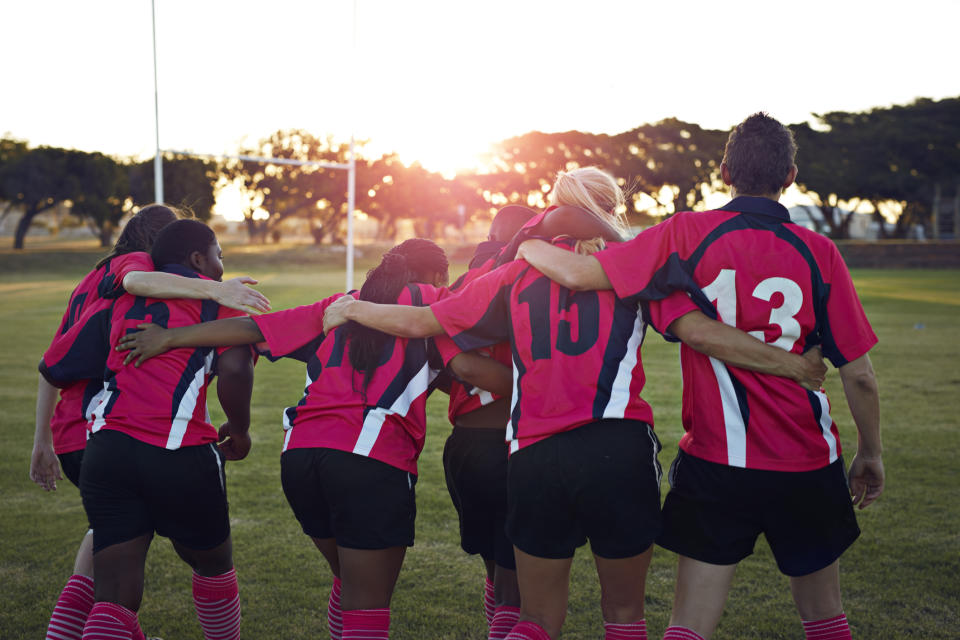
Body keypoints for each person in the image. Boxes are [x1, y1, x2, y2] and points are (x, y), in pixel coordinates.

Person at [320, 167, 826, 640]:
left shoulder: (513, 272)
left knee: (536, 619)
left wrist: (352, 307)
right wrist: (793, 366)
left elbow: (422, 323)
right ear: (611, 209)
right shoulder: (637, 270)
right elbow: (700, 332)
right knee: (624, 615)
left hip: (535, 453)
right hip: (616, 445)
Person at [515, 113, 882, 640]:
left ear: (725, 171)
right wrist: (870, 452)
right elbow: (861, 375)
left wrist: (526, 243)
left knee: (688, 627)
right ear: (791, 176)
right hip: (807, 458)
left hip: (718, 459)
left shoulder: (686, 232)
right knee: (826, 620)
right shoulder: (819, 251)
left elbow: (579, 273)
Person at [115, 238, 512, 640]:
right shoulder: (433, 301)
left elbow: (252, 329)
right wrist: (541, 382)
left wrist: (169, 337)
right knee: (366, 608)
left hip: (301, 456)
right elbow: (465, 367)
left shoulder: (342, 302)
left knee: (348, 584)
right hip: (369, 457)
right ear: (438, 275)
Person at [31, 204, 269, 640]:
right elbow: (235, 369)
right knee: (213, 563)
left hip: (105, 448)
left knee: (115, 591)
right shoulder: (218, 296)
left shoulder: (119, 298)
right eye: (218, 254)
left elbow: (56, 362)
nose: (222, 265)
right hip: (176, 448)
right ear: (198, 259)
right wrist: (240, 430)